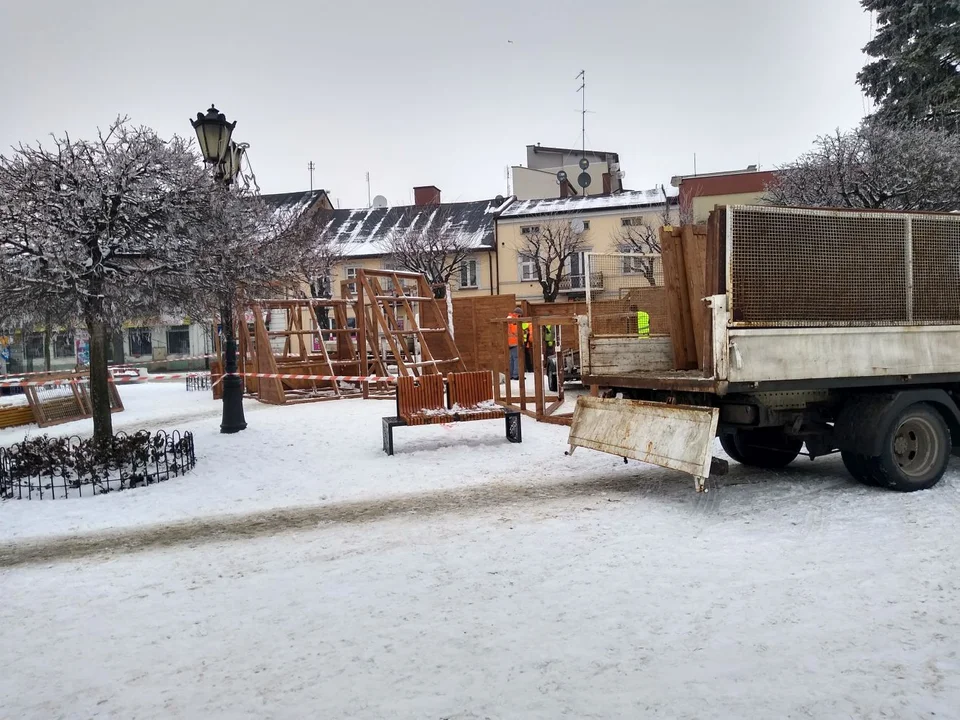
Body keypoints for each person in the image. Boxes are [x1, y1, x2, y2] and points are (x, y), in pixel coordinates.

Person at [507, 307, 521, 380]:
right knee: (516, 359)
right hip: (514, 342)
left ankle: (511, 375)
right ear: (517, 313)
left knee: (512, 359)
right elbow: (514, 331)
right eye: (519, 314)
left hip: (509, 342)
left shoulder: (509, 318)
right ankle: (515, 375)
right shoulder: (513, 320)